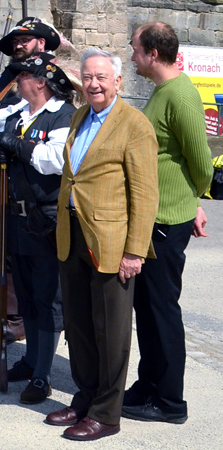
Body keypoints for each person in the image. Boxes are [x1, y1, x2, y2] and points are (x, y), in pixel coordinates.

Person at [45, 50, 158, 441]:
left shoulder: (135, 125)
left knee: (111, 331)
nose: (93, 84)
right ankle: (86, 397)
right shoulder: (80, 116)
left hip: (112, 243)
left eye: (101, 78)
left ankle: (107, 413)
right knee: (77, 324)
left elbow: (145, 195)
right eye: (88, 77)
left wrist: (134, 251)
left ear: (118, 81)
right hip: (73, 234)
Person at [122, 22, 213, 425]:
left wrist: (192, 201)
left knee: (161, 312)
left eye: (135, 49)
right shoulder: (163, 91)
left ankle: (171, 401)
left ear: (153, 54)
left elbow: (202, 161)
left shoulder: (181, 94)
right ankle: (148, 384)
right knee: (148, 309)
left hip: (166, 220)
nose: (131, 55)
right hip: (156, 216)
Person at [0, 52, 75, 405]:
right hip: (15, 218)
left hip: (46, 220)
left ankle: (43, 374)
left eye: (22, 77)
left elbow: (54, 161)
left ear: (41, 82)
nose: (17, 82)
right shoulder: (18, 115)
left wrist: (18, 147)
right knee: (26, 295)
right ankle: (31, 359)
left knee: (47, 297)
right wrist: (1, 155)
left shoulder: (61, 115)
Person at [0, 15, 62, 345]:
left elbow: (2, 119)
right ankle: (5, 311)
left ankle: (17, 318)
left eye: (25, 40)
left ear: (41, 43)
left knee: (18, 251)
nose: (18, 46)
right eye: (15, 42)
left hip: (28, 181)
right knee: (0, 245)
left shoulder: (47, 75)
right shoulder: (8, 77)